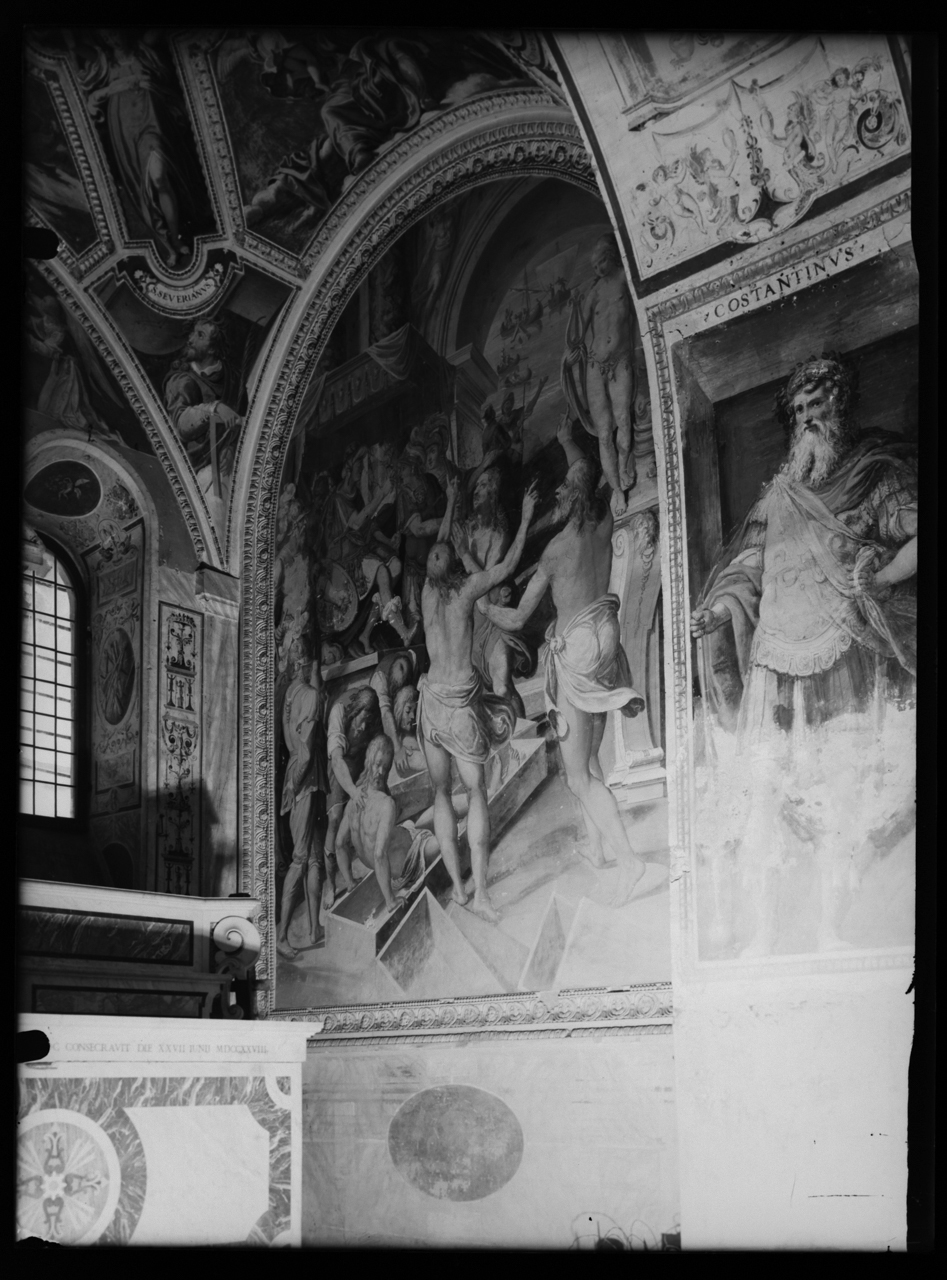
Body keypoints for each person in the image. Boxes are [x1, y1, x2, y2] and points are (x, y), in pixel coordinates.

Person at [690, 354, 917, 956]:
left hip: (841, 662)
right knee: (765, 801)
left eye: (818, 406)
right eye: (798, 411)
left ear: (840, 408)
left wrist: (888, 574)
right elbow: (747, 569)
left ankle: (827, 932)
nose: (808, 420)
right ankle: (762, 938)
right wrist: (716, 612)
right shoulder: (779, 495)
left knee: (840, 801)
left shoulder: (875, 479)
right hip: (773, 668)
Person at [480, 417, 648, 904]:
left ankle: (630, 862)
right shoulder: (603, 523)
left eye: (562, 490)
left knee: (576, 774)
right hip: (605, 643)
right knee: (590, 758)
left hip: (576, 650)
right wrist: (567, 440)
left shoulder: (555, 550)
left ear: (569, 498)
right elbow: (582, 466)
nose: (558, 493)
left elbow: (516, 620)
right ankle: (597, 849)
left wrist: (487, 607)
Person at [417, 476, 539, 922]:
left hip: (434, 705)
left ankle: (466, 892)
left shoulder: (432, 592)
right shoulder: (458, 590)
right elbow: (503, 566)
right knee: (471, 791)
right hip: (452, 708)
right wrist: (525, 517)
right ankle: (476, 893)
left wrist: (451, 501)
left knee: (448, 793)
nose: (437, 552)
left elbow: (450, 548)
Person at [562, 234, 638, 514]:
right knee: (604, 434)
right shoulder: (593, 291)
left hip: (621, 361)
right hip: (595, 365)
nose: (598, 269)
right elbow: (576, 336)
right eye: (593, 266)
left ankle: (623, 465)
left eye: (601, 261)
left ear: (612, 256)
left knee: (623, 421)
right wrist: (573, 308)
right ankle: (617, 490)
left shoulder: (625, 281)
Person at [454, 465, 533, 715]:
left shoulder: (500, 533)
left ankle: (526, 742)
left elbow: (486, 582)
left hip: (491, 620)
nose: (478, 490)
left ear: (494, 493)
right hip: (469, 626)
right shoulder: (466, 531)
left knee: (503, 688)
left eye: (484, 485)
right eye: (476, 486)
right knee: (479, 698)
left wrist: (465, 555)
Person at [334, 734, 439, 913]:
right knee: (445, 835)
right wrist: (390, 901)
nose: (381, 772)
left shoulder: (354, 800)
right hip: (411, 862)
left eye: (386, 767)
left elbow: (339, 844)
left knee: (414, 823)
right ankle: (480, 797)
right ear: (368, 760)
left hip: (402, 846)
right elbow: (379, 854)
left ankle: (457, 804)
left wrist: (350, 881)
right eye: (378, 764)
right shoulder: (385, 804)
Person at [275, 641, 328, 959]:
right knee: (301, 858)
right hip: (304, 781)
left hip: (297, 775)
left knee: (311, 857)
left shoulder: (290, 695)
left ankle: (314, 928)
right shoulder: (308, 695)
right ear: (302, 664)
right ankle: (281, 936)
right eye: (309, 661)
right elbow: (307, 750)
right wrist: (295, 787)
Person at [163, 318, 244, 503]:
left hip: (221, 471)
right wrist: (214, 408)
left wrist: (231, 449)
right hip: (190, 472)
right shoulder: (180, 379)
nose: (190, 339)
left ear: (213, 349)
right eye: (192, 332)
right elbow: (180, 425)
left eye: (200, 335)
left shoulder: (233, 379)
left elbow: (241, 422)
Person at [322, 684, 383, 907]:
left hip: (362, 763)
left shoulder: (374, 717)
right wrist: (353, 791)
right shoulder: (339, 710)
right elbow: (337, 760)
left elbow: (379, 747)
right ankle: (330, 884)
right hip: (340, 764)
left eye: (368, 720)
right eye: (361, 719)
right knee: (335, 818)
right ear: (355, 711)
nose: (364, 725)